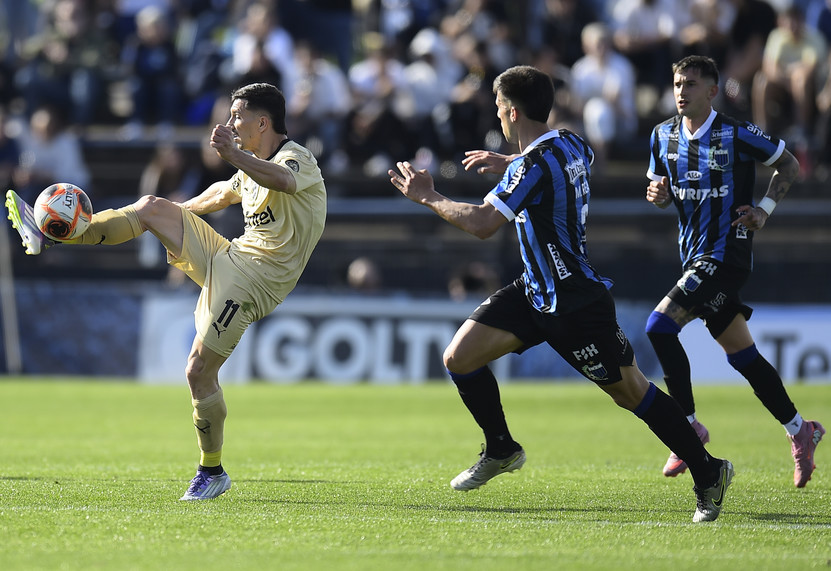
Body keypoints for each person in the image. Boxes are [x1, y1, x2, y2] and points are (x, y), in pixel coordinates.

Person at [389, 65, 733, 523]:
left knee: (632, 392)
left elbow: (483, 224)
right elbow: (570, 163)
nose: (497, 115)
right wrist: (509, 163)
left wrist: (428, 196)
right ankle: (501, 448)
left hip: (575, 301)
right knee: (459, 358)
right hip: (533, 290)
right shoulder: (570, 143)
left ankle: (710, 471)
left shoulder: (531, 165)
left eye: (499, 107)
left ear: (513, 112)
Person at [6, 82, 327, 500]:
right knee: (151, 206)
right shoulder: (252, 167)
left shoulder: (295, 159)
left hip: (255, 281)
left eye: (237, 116)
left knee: (198, 371)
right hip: (229, 257)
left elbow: (283, 181)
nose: (230, 122)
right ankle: (54, 235)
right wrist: (169, 215)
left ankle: (212, 471)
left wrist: (234, 156)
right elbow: (221, 192)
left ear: (262, 122)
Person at [644, 55, 824, 488]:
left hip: (726, 256)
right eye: (677, 83)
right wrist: (658, 194)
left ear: (712, 91)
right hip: (693, 256)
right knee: (743, 356)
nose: (681, 91)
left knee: (658, 327)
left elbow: (789, 164)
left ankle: (687, 428)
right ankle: (800, 429)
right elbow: (660, 190)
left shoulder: (737, 133)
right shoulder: (662, 135)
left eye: (690, 83)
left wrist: (764, 209)